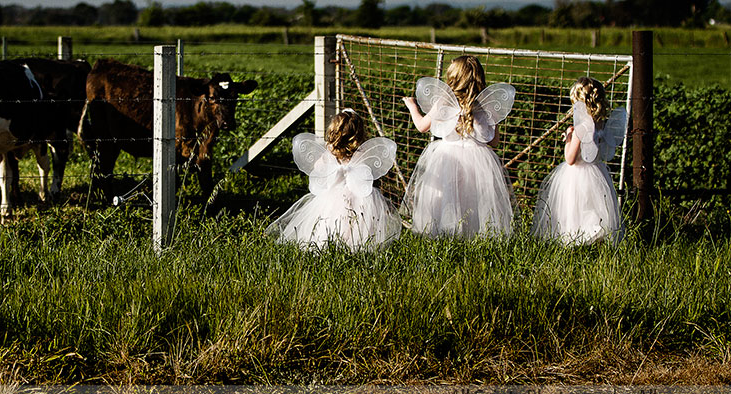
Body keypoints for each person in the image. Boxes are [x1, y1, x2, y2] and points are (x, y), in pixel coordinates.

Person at [401, 55, 515, 238]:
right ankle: (472, 234)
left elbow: (422, 126)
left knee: (447, 197)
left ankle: (444, 234)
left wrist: (412, 106)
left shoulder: (444, 102)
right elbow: (494, 141)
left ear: (453, 77)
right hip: (478, 161)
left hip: (447, 158)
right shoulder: (486, 106)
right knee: (474, 200)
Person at [266, 109, 402, 251]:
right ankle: (356, 248)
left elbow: (318, 167)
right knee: (357, 227)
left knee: (329, 224)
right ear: (359, 134)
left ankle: (326, 247)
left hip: (332, 197)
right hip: (359, 199)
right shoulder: (361, 154)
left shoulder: (330, 153)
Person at [532, 77, 627, 244]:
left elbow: (570, 158)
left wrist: (569, 136)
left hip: (577, 176)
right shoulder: (601, 125)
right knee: (593, 208)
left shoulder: (580, 129)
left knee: (574, 210)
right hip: (597, 173)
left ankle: (575, 240)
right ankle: (596, 235)